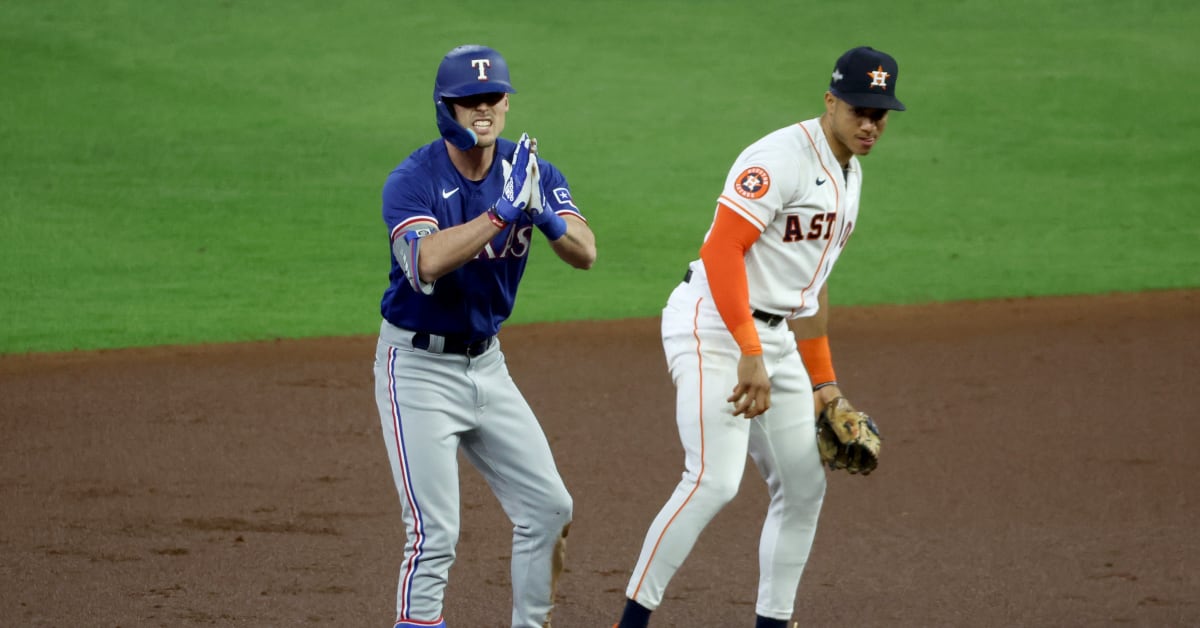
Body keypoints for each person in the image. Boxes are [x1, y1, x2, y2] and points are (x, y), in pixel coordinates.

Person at [613, 46, 907, 628]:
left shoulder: (852, 174)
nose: (870, 124)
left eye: (881, 113)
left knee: (803, 487)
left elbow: (812, 286)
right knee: (712, 482)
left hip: (773, 340)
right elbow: (722, 249)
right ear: (830, 102)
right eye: (858, 110)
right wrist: (749, 351)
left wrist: (823, 384)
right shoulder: (778, 158)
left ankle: (774, 622)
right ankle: (631, 623)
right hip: (713, 324)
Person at [373, 44, 596, 628]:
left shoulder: (532, 173)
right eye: (470, 99)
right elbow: (423, 261)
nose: (485, 108)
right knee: (434, 532)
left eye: (494, 96)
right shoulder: (413, 179)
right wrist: (499, 214)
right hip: (417, 369)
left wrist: (544, 215)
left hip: (487, 366)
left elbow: (586, 252)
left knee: (550, 508)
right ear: (445, 108)